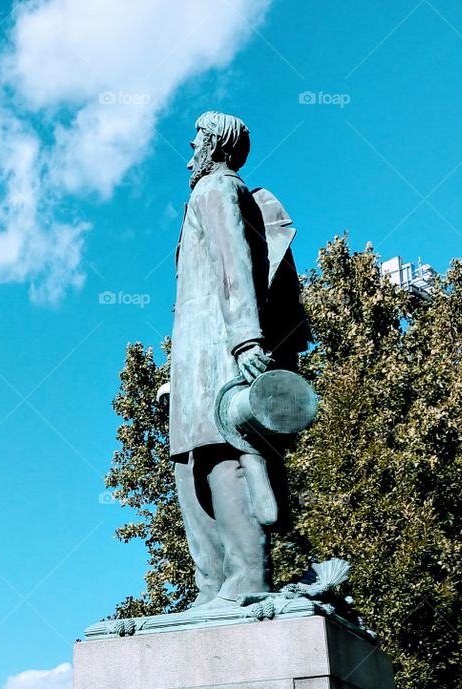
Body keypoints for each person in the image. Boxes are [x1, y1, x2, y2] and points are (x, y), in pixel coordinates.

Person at [169, 110, 309, 613]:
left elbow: (235, 264)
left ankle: (247, 579)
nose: (191, 150)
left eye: (198, 140)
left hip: (219, 349)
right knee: (191, 463)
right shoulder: (213, 192)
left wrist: (246, 340)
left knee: (223, 454)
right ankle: (211, 588)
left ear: (217, 145)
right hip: (196, 358)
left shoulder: (216, 189)